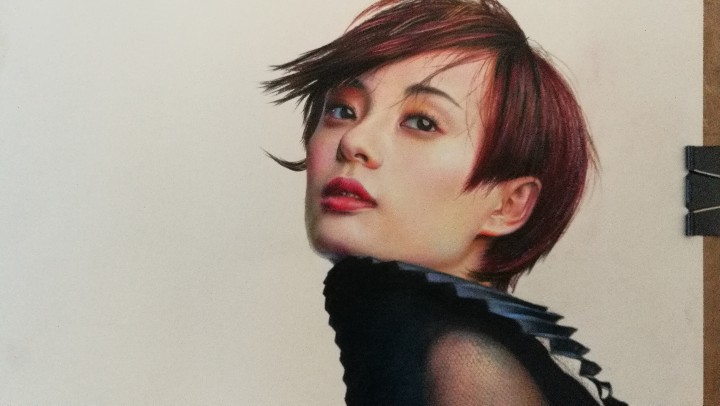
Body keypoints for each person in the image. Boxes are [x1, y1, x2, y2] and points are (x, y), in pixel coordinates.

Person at [264, 0, 626, 404]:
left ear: (508, 205)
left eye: (422, 122)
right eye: (342, 110)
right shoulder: (413, 336)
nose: (353, 140)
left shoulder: (465, 365)